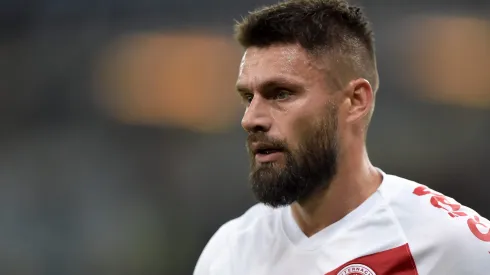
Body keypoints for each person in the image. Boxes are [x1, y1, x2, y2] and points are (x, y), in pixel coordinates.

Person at [193, 0, 490, 274]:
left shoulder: (450, 245)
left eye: (281, 93)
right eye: (248, 97)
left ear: (356, 101)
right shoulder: (229, 252)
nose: (250, 119)